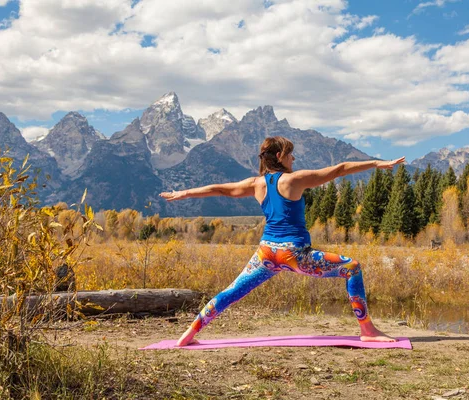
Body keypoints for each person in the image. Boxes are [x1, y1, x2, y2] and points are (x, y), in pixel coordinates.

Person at [160, 136, 405, 346]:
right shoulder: (293, 180)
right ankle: (368, 330)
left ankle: (188, 334)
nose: (294, 160)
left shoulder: (256, 184)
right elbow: (340, 169)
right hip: (296, 255)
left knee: (231, 292)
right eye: (291, 155)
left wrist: (184, 193)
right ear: (280, 155)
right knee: (352, 268)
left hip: (266, 254)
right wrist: (375, 163)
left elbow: (222, 190)